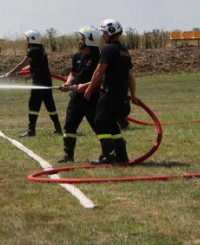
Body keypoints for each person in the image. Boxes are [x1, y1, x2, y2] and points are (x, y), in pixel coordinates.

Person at [82, 19, 140, 165]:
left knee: (100, 122)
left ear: (110, 33)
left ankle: (108, 155)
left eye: (104, 33)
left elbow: (99, 71)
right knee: (110, 122)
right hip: (121, 94)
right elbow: (131, 76)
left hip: (109, 92)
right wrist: (133, 95)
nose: (102, 36)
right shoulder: (124, 51)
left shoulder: (108, 49)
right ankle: (121, 155)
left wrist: (89, 88)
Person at [5, 29, 62, 137]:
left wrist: (11, 73)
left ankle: (31, 131)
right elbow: (31, 65)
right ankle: (58, 128)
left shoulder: (33, 51)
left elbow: (23, 63)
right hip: (46, 82)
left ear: (32, 39)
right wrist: (19, 73)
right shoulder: (41, 50)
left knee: (33, 106)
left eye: (27, 39)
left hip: (38, 83)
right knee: (50, 105)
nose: (26, 41)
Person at [57, 26, 101, 163]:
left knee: (99, 127)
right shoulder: (77, 56)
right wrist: (68, 83)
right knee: (69, 125)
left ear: (89, 40)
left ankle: (110, 151)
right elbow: (73, 73)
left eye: (82, 38)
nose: (79, 40)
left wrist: (86, 87)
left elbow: (100, 77)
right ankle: (68, 155)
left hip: (92, 98)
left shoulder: (98, 58)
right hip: (76, 99)